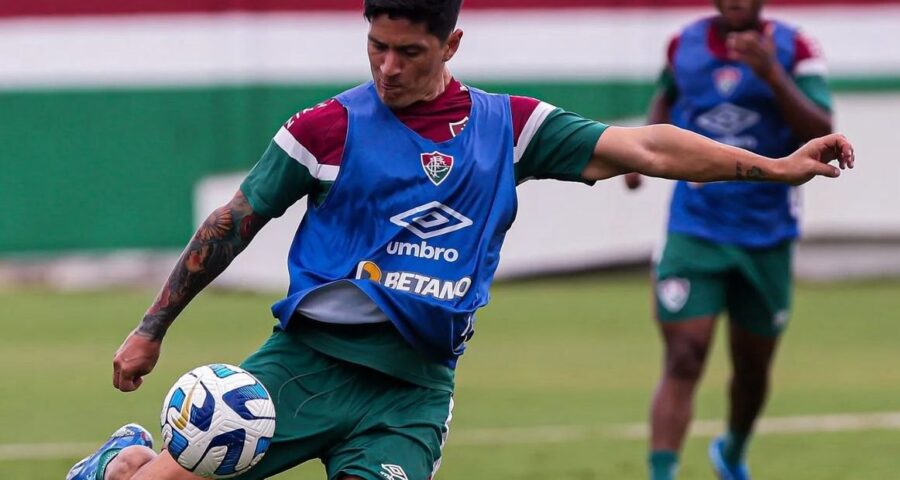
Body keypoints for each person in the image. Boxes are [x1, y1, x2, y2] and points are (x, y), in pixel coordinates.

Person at [67, 1, 852, 479]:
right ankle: (123, 460)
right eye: (376, 46)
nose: (387, 67)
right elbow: (232, 221)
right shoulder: (326, 127)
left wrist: (776, 166)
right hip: (301, 370)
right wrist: (149, 329)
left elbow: (647, 147)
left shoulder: (505, 128)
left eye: (409, 51)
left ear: (452, 44)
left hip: (412, 393)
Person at [623, 1, 835, 479]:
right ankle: (663, 472)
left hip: (767, 233)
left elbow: (822, 130)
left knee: (752, 368)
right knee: (684, 354)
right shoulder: (684, 44)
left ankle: (733, 451)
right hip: (696, 227)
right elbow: (665, 102)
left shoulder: (796, 47)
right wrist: (638, 157)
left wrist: (773, 75)